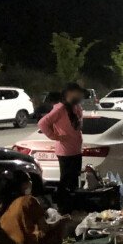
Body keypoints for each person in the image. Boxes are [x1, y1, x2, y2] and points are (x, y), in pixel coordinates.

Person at [0, 171, 70, 244]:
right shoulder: (28, 200)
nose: (31, 183)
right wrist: (60, 221)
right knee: (61, 224)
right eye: (29, 180)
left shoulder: (4, 204)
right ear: (23, 184)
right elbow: (45, 228)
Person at [38, 82, 85, 214]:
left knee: (74, 179)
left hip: (76, 149)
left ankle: (72, 206)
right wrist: (55, 136)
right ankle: (63, 207)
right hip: (65, 151)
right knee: (66, 179)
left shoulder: (76, 107)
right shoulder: (60, 109)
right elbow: (42, 123)